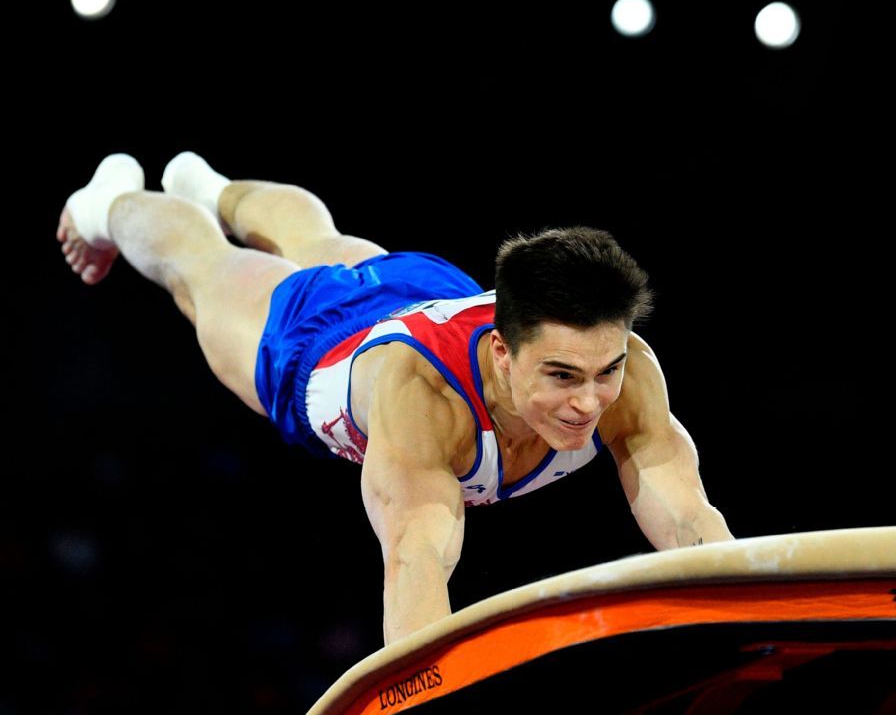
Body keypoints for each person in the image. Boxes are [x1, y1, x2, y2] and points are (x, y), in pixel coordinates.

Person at [57, 152, 734, 645]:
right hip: (311, 346)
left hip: (428, 295)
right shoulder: (428, 400)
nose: (589, 402)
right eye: (561, 376)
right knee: (198, 270)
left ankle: (211, 183)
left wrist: (751, 606)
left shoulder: (627, 369)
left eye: (603, 371)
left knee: (321, 241)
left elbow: (687, 518)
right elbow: (418, 556)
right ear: (503, 351)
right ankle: (109, 202)